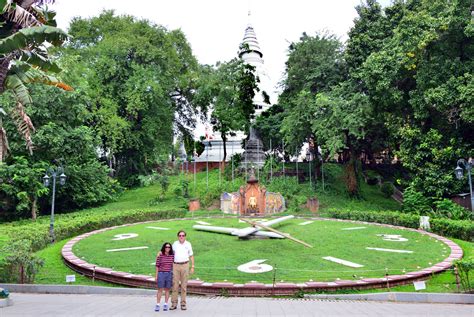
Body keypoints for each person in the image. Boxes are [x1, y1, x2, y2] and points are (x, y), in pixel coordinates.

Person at [170, 230, 194, 311]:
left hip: (185, 265)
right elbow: (170, 254)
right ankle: (174, 303)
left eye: (183, 235)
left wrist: (192, 266)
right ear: (178, 236)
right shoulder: (175, 244)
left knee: (184, 286)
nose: (181, 237)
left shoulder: (188, 244)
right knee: (175, 285)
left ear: (185, 236)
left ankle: (183, 303)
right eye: (180, 235)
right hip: (175, 265)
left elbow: (191, 255)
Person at [155, 242, 174, 312]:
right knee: (160, 289)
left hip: (169, 274)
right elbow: (157, 266)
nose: (167, 248)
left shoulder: (172, 255)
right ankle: (158, 304)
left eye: (169, 247)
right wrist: (156, 276)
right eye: (166, 247)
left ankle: (165, 304)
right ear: (164, 247)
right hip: (161, 273)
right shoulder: (160, 255)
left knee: (167, 289)